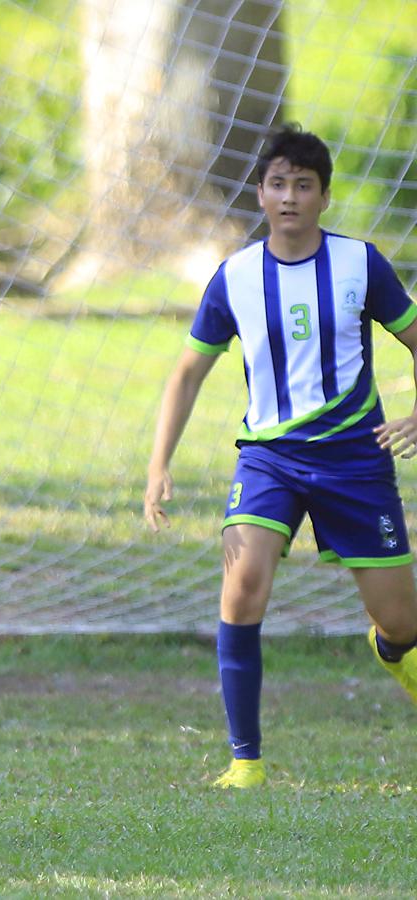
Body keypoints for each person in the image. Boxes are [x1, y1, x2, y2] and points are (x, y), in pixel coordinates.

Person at [144, 125, 417, 789]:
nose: (289, 196)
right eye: (277, 183)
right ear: (260, 193)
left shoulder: (361, 265)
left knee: (403, 623)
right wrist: (159, 466)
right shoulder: (235, 277)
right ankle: (246, 762)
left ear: (323, 196)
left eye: (303, 185)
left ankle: (390, 649)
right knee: (242, 585)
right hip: (269, 458)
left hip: (356, 459)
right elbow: (186, 374)